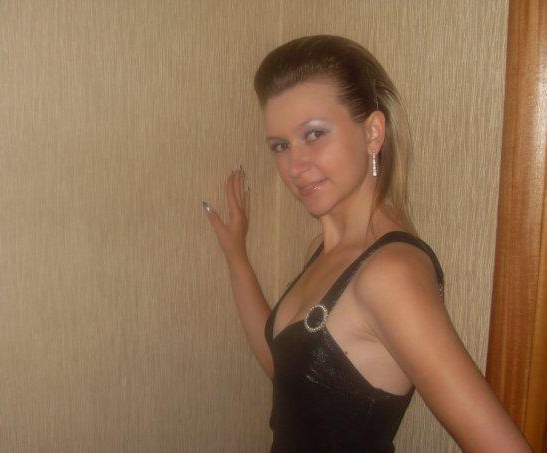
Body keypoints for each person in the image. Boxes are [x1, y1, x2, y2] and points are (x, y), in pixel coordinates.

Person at [203, 35, 531, 452]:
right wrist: (237, 256)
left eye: (314, 134)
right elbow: (284, 371)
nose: (294, 166)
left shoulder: (390, 274)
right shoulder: (323, 250)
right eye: (281, 146)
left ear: (373, 133)